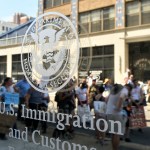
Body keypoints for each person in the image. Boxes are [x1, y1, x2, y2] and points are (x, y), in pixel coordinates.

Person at [106, 84, 132, 150]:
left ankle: (113, 148)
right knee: (117, 134)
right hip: (116, 114)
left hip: (109, 112)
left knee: (113, 133)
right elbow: (121, 98)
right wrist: (118, 108)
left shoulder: (114, 89)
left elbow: (106, 99)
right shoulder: (125, 90)